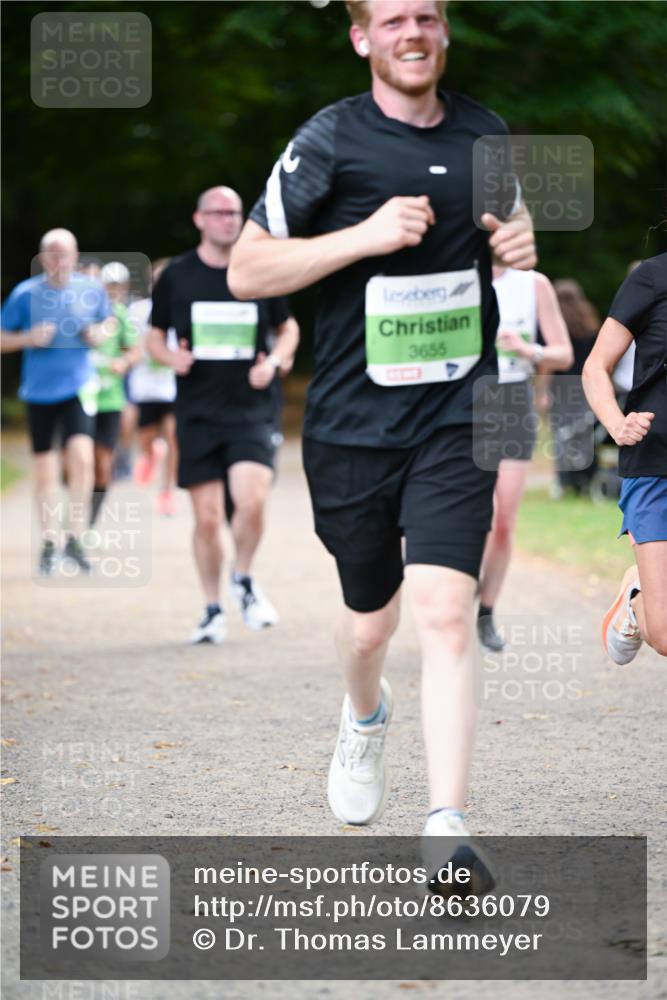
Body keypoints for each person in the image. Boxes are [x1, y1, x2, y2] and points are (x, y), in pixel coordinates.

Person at [228, 0, 536, 881]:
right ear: (362, 37)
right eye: (394, 20)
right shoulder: (329, 139)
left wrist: (519, 242)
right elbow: (247, 269)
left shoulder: (485, 134)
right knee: (369, 627)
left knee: (444, 609)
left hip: (456, 412)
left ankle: (446, 825)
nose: (413, 33)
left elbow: (510, 236)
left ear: (444, 31)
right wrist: (361, 237)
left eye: (427, 17)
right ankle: (364, 716)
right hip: (352, 425)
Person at [147, 186, 300, 643]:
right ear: (199, 219)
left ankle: (244, 577)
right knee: (208, 518)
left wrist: (274, 363)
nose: (228, 219)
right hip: (197, 411)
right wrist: (171, 358)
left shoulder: (257, 269)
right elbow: (153, 337)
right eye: (218, 212)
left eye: (234, 212)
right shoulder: (177, 275)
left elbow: (288, 328)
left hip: (251, 408)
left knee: (251, 500)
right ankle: (212, 608)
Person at [1, 228, 113, 574]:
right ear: (42, 257)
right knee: (45, 471)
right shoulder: (25, 294)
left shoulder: (91, 290)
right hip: (39, 392)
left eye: (65, 252)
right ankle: (50, 543)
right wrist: (27, 338)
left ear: (75, 255)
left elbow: (108, 323)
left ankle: (75, 538)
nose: (59, 259)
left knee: (83, 458)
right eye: (52, 252)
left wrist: (98, 334)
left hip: (78, 387)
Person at [476, 267, 573, 651]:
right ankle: (455, 595)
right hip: (463, 401)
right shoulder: (457, 269)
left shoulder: (533, 284)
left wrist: (529, 350)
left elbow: (564, 353)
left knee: (502, 521)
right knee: (471, 515)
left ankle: (486, 612)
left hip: (513, 401)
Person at [582, 252, 667, 662]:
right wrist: (616, 424)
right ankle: (636, 599)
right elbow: (596, 366)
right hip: (656, 464)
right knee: (664, 635)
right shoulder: (653, 277)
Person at [90, 262, 141, 525]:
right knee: (76, 462)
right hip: (79, 397)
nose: (113, 291)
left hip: (110, 397)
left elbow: (135, 350)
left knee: (102, 464)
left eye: (118, 286)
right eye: (110, 285)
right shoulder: (82, 311)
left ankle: (90, 521)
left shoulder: (122, 315)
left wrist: (123, 362)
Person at [128, 258, 178, 517]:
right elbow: (128, 344)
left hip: (173, 385)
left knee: (173, 437)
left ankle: (166, 492)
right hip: (145, 386)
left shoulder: (182, 307)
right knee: (146, 439)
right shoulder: (137, 311)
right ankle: (151, 453)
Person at [550, 279, 600, 496]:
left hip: (561, 387)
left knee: (561, 433)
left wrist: (542, 390)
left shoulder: (554, 323)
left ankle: (564, 480)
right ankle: (586, 478)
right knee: (584, 432)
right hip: (586, 384)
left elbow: (551, 362)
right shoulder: (590, 321)